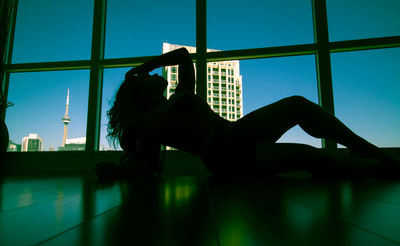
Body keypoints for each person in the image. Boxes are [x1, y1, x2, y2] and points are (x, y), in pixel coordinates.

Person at [97, 47, 399, 179]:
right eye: (149, 79)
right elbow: (148, 164)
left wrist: (146, 66)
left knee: (297, 104)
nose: (153, 76)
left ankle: (366, 150)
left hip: (235, 132)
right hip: (226, 155)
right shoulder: (150, 121)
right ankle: (378, 168)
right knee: (309, 155)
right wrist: (118, 171)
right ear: (142, 94)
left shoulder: (180, 95)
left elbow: (183, 57)